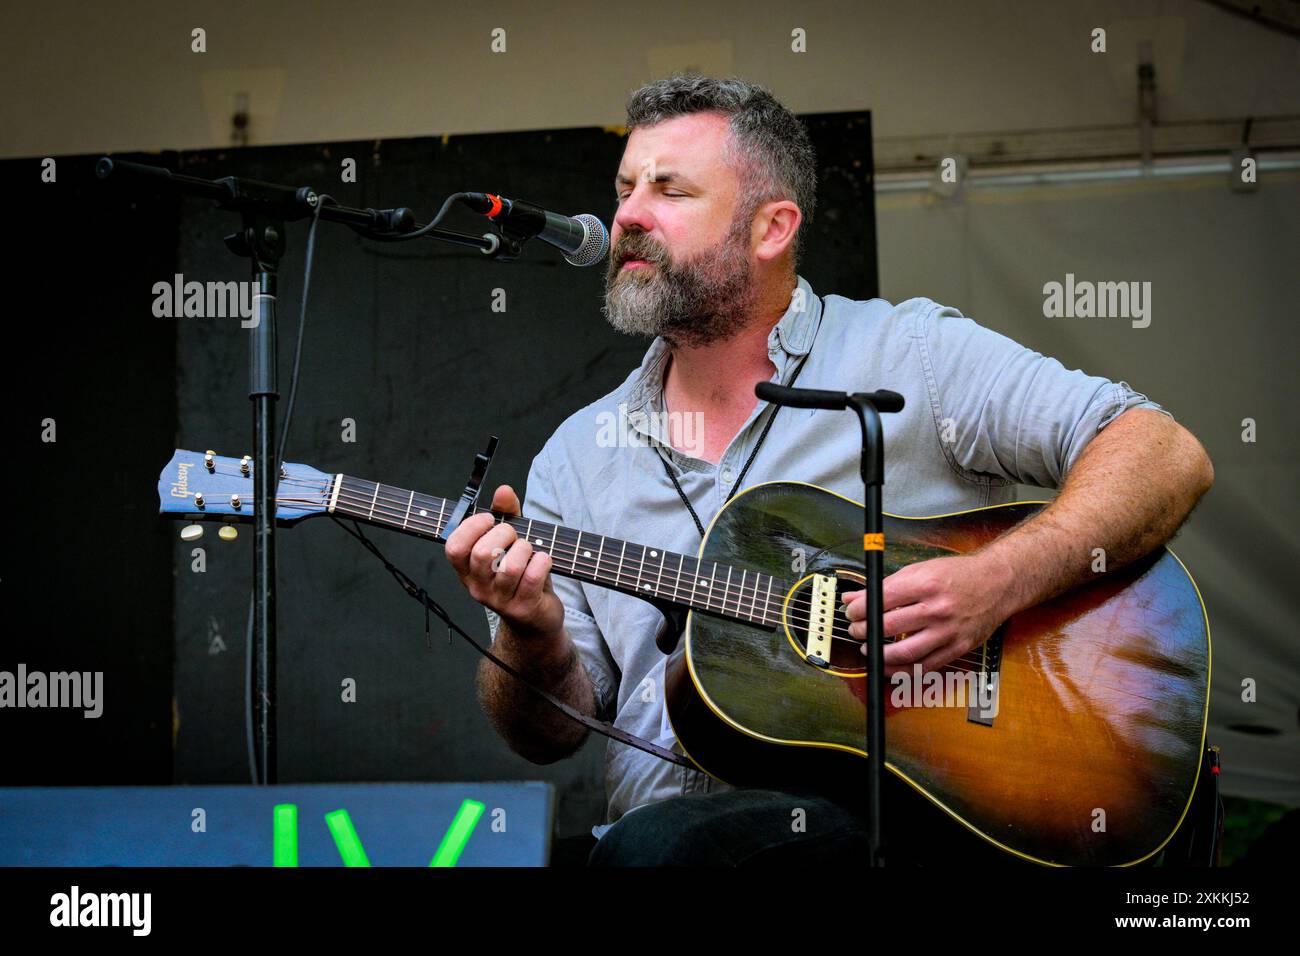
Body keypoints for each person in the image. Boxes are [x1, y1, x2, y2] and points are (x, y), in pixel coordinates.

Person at [444, 74, 1214, 866]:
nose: (628, 216)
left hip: (907, 829)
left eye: (668, 190)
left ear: (771, 228)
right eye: (625, 188)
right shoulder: (579, 455)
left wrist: (1001, 580)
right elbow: (548, 734)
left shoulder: (910, 355)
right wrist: (529, 635)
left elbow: (1162, 451)